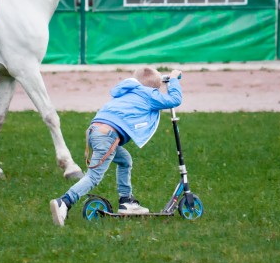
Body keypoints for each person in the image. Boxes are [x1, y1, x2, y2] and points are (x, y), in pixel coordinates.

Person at [49, 67, 183, 226]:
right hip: (108, 135)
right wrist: (173, 79)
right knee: (93, 177)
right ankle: (64, 202)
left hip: (96, 130)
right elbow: (174, 99)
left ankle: (126, 202)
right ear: (154, 88)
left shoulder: (126, 91)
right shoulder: (149, 94)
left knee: (125, 160)